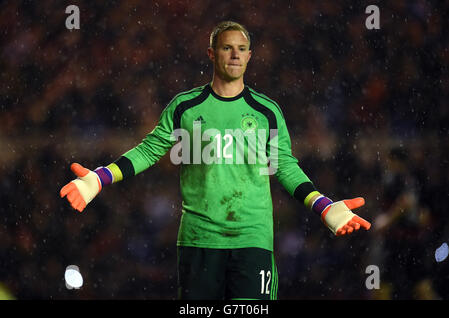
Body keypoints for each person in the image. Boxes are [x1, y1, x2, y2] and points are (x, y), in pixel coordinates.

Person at [60, 21, 371, 300]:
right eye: (227, 47)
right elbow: (148, 150)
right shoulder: (185, 106)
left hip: (252, 239)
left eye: (242, 49)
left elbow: (285, 166)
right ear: (211, 54)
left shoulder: (267, 112)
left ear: (250, 56)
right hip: (199, 239)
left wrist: (323, 205)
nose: (235, 55)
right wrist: (100, 177)